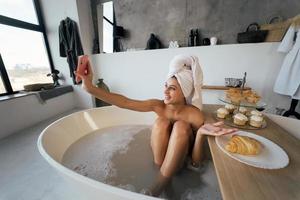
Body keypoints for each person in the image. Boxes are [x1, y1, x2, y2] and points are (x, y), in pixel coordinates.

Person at [75, 54, 237, 196]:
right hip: (160, 159)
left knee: (181, 126)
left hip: (181, 161)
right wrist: (90, 88)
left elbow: (196, 161)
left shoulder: (193, 115)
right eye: (165, 85)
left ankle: (159, 185)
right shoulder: (159, 106)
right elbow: (125, 102)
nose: (165, 91)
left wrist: (200, 134)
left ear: (185, 92)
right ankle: (160, 175)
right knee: (161, 121)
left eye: (172, 88)